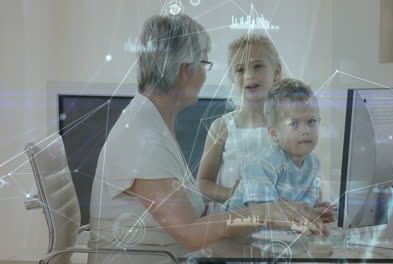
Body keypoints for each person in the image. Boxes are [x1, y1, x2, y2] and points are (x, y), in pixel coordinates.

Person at [88, 14, 329, 264]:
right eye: (204, 63)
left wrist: (287, 209)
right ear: (185, 71)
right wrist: (268, 213)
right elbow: (191, 233)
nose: (205, 73)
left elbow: (198, 215)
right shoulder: (142, 139)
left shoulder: (151, 123)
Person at [225, 79, 332, 222]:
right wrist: (302, 215)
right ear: (274, 133)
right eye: (294, 123)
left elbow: (305, 207)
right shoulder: (264, 164)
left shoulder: (313, 163)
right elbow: (261, 215)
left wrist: (316, 211)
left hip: (274, 236)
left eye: (311, 121)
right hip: (231, 232)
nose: (306, 130)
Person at [197, 33, 282, 209]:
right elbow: (203, 182)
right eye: (240, 70)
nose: (249, 75)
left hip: (275, 226)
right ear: (232, 76)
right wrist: (230, 194)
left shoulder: (288, 126)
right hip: (230, 224)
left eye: (257, 66)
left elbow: (304, 174)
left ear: (277, 72)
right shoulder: (222, 126)